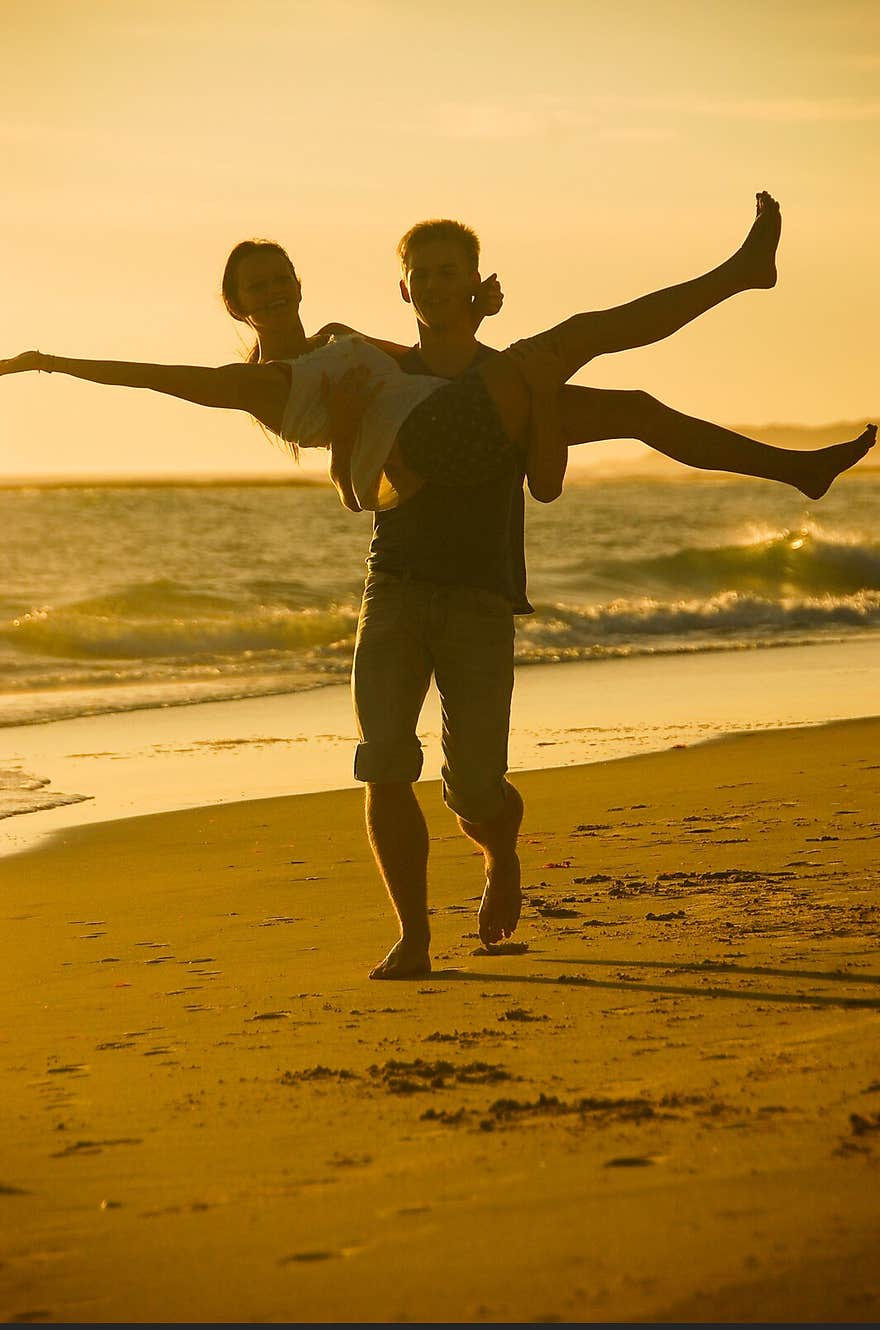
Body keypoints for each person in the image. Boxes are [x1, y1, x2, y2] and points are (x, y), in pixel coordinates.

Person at [3, 196, 875, 979]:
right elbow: (162, 379)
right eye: (253, 287)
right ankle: (414, 937)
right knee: (569, 343)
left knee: (636, 406)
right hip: (419, 485)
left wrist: (467, 310)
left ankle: (794, 467)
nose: (271, 292)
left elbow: (421, 356)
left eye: (279, 277)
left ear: (299, 281)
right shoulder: (262, 385)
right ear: (235, 306)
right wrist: (52, 361)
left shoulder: (348, 338)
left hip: (456, 441)